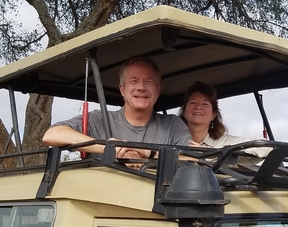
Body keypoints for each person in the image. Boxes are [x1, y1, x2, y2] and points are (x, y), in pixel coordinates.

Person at [43, 56, 192, 161]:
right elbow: (52, 135)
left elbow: (194, 159)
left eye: (148, 81)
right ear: (122, 89)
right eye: (134, 81)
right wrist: (108, 148)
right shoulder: (99, 119)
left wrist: (149, 153)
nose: (141, 87)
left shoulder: (173, 125)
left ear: (158, 90)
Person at [179, 81, 271, 158]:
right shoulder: (171, 140)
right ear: (184, 111)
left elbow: (266, 147)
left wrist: (210, 154)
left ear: (213, 114)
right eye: (192, 102)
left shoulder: (223, 142)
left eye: (205, 104)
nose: (198, 107)